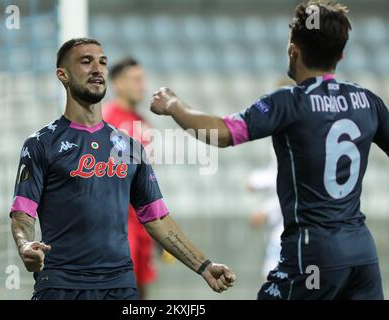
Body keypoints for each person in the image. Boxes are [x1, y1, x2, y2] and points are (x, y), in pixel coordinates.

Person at [150, 1, 388, 300]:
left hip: (313, 252)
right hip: (362, 253)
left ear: (293, 50)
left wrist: (174, 105)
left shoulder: (288, 102)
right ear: (341, 54)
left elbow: (223, 133)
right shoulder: (368, 101)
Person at [9, 38, 235, 300]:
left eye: (102, 62)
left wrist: (203, 266)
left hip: (121, 286)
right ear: (63, 75)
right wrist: (25, 244)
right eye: (86, 61)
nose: (97, 68)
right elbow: (22, 213)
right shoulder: (40, 144)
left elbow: (156, 218)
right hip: (61, 285)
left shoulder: (130, 146)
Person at [102, 57, 158, 299]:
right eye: (136, 80)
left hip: (142, 219)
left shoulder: (145, 124)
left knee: (140, 288)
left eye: (142, 79)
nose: (142, 86)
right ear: (118, 83)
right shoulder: (104, 120)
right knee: (119, 287)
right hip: (116, 220)